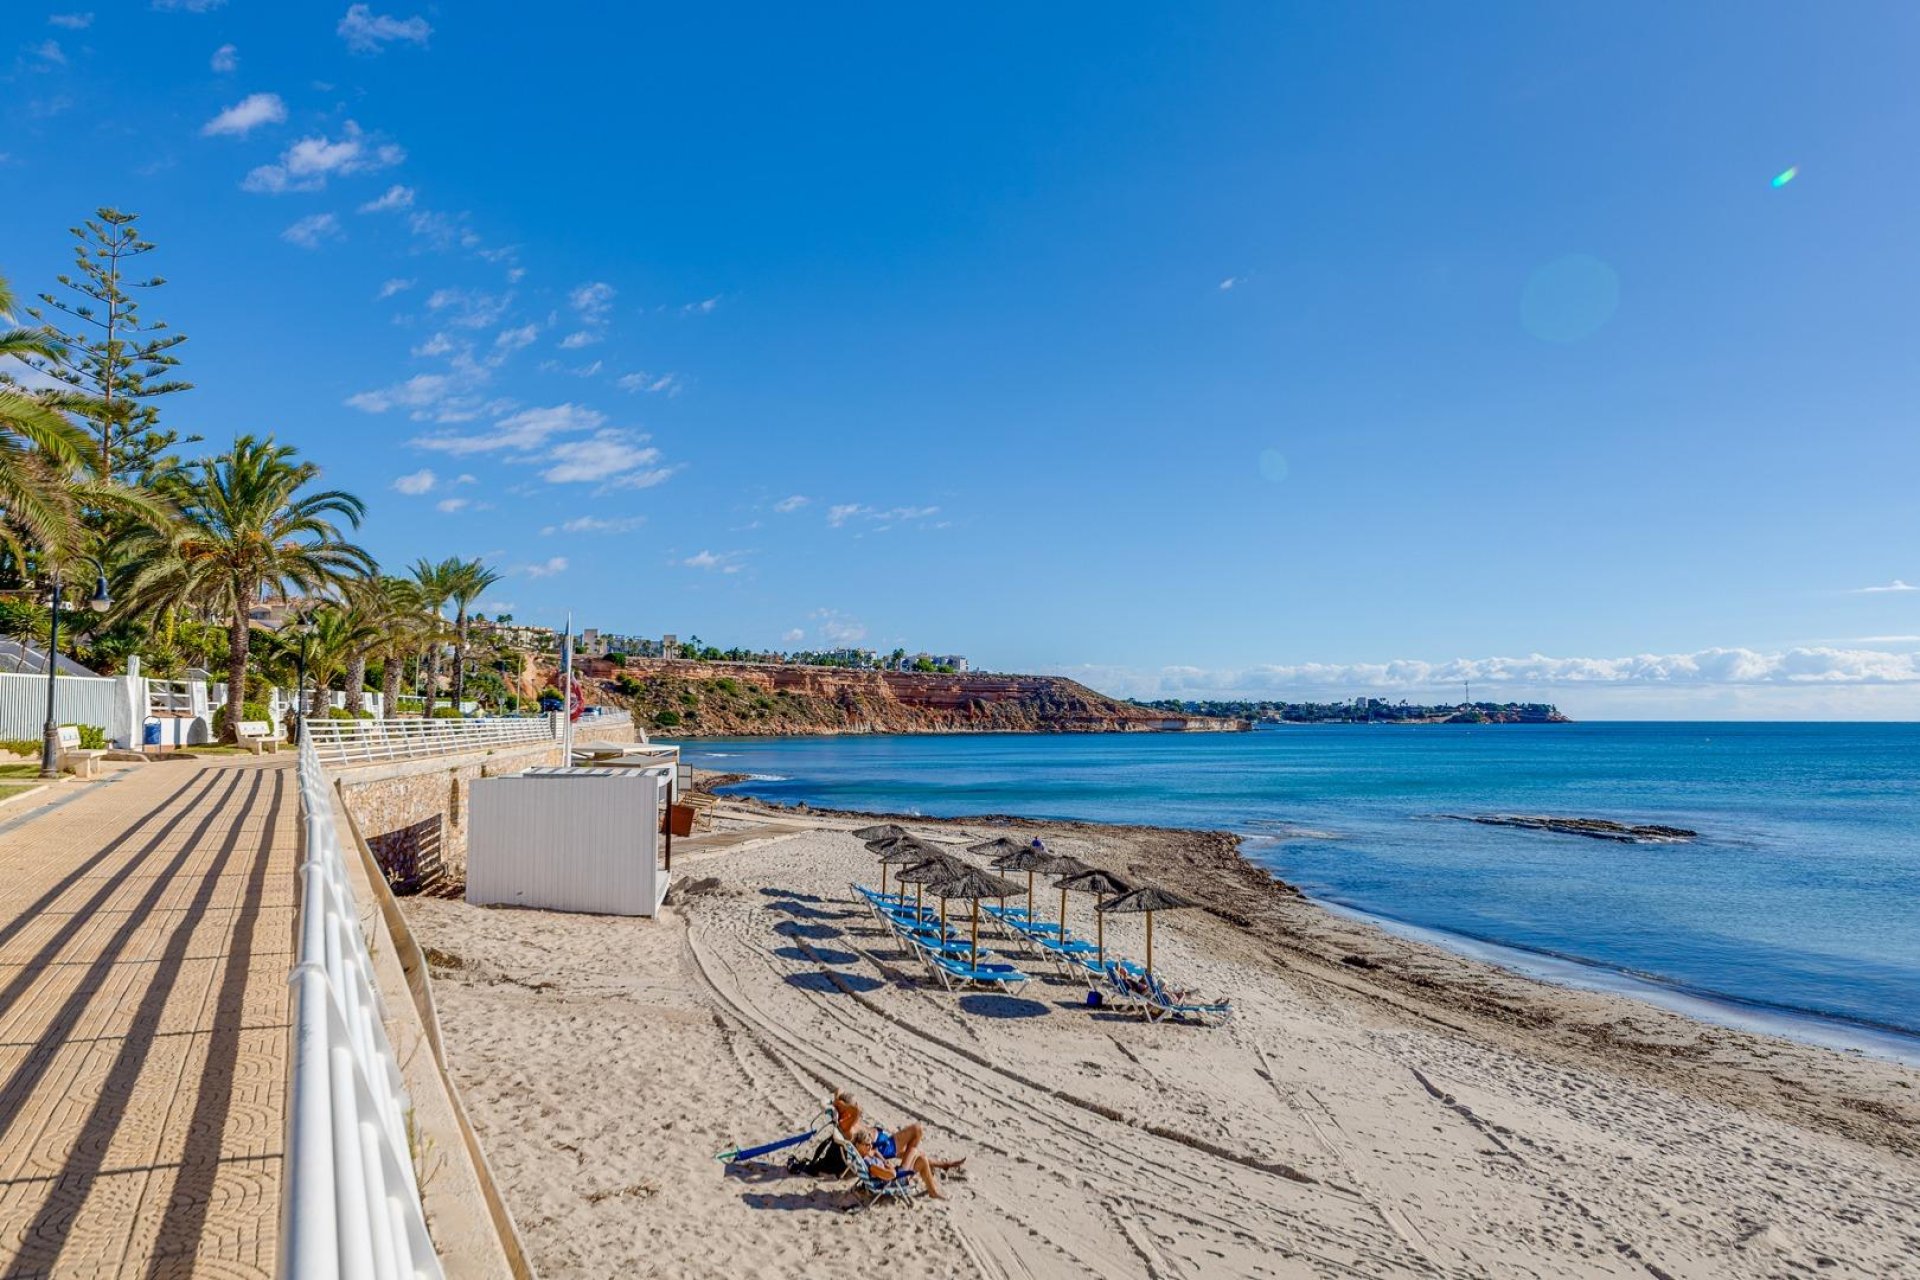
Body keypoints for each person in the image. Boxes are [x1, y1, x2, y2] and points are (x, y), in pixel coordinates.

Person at [832, 1089, 964, 1178]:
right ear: (848, 1108)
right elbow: (857, 1110)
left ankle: (942, 1165)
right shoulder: (847, 1124)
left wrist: (839, 1102)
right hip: (881, 1147)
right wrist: (846, 1105)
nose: (858, 1105)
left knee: (911, 1152)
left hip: (882, 1141)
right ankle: (904, 1171)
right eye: (854, 1104)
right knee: (916, 1130)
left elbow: (839, 1090)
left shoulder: (847, 1118)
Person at [850, 1125, 957, 1200]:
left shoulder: (865, 1155)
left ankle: (932, 1189)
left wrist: (884, 1161)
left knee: (920, 1157)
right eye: (867, 1145)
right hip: (896, 1179)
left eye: (870, 1144)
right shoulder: (871, 1166)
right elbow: (892, 1175)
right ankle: (933, 1191)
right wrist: (890, 1167)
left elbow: (875, 1151)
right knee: (917, 1154)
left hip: (891, 1172)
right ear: (859, 1145)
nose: (870, 1146)